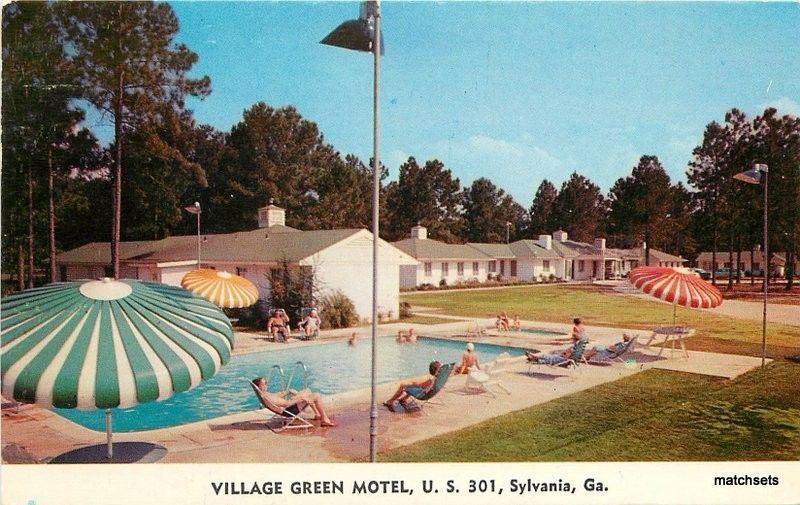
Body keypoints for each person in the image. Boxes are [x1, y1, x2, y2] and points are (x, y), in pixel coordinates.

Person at [251, 377, 336, 427]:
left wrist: (288, 391)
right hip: (289, 410)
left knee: (307, 391)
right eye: (264, 384)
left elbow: (278, 396)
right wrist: (302, 399)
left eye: (266, 383)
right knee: (316, 395)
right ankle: (324, 419)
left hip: (289, 407)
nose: (266, 385)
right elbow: (286, 404)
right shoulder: (267, 397)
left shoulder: (265, 394)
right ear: (259, 387)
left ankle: (317, 414)